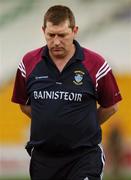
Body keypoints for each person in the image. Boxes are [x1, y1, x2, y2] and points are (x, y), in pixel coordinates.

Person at [12, 5, 122, 180]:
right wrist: (52, 121)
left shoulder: (96, 64)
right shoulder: (28, 63)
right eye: (51, 35)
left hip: (83, 157)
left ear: (74, 31)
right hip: (43, 159)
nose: (56, 42)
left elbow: (111, 106)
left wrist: (84, 126)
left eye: (62, 35)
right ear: (43, 31)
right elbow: (23, 105)